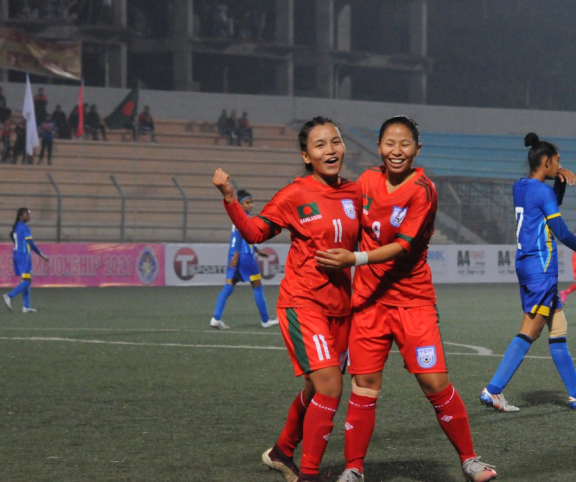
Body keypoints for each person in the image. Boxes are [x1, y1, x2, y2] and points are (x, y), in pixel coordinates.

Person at [315, 116, 497, 482]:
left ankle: (469, 459)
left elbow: (405, 246)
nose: (396, 151)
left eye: (405, 144)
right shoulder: (365, 181)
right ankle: (353, 469)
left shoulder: (423, 190)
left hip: (413, 302)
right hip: (368, 303)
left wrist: (355, 259)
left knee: (435, 383)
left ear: (417, 149)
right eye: (389, 144)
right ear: (379, 147)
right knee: (364, 386)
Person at [212, 116, 362, 482]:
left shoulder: (355, 192)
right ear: (306, 155)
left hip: (341, 307)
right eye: (320, 145)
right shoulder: (295, 194)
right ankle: (308, 475)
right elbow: (256, 231)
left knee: (316, 388)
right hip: (303, 303)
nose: (331, 150)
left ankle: (282, 451)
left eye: (336, 141)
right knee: (330, 387)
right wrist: (231, 200)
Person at [479, 133, 576, 413]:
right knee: (530, 330)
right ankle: (493, 390)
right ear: (545, 161)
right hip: (541, 267)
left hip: (528, 265)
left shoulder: (522, 186)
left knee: (558, 329)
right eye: (557, 162)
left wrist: (559, 179)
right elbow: (561, 231)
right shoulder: (540, 191)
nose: (561, 165)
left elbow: (550, 202)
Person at [209, 189, 278, 330]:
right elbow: (241, 237)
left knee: (229, 286)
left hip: (234, 254)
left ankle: (216, 318)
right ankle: (265, 320)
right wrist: (238, 254)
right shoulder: (244, 218)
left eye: (252, 202)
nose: (251, 205)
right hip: (243, 256)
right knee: (257, 285)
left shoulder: (236, 218)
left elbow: (243, 238)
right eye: (247, 203)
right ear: (240, 205)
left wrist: (257, 250)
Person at [3, 208, 49, 313]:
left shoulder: (16, 227)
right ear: (20, 216)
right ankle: (9, 296)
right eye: (26, 214)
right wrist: (42, 255)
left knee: (25, 280)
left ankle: (26, 306)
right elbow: (31, 244)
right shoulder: (24, 228)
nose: (28, 216)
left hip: (17, 255)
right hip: (24, 256)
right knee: (27, 281)